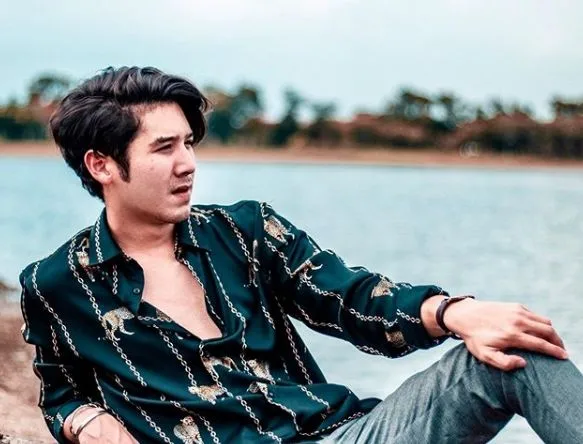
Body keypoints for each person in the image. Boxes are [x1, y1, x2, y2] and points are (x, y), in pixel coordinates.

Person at [19, 66, 583, 444]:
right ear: (101, 165)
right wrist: (82, 420)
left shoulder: (245, 231)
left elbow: (353, 300)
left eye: (188, 142)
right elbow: (59, 388)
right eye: (164, 147)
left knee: (515, 345)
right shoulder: (57, 283)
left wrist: (454, 311)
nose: (187, 163)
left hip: (341, 435)